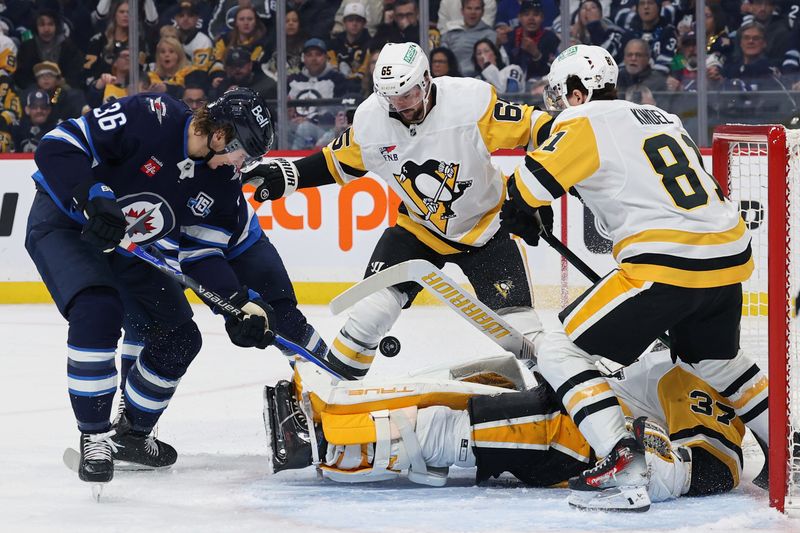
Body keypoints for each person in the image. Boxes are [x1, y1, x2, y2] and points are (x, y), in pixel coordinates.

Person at [501, 44, 768, 512]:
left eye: (562, 94)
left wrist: (522, 210)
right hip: (727, 255)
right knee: (715, 361)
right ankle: (792, 445)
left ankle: (622, 461)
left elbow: (528, 185)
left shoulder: (581, 120)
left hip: (666, 263)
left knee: (559, 346)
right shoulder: (660, 116)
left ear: (578, 92)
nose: (558, 105)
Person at [244, 42, 554, 380]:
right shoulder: (371, 120)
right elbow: (336, 161)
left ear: (425, 81)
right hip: (418, 232)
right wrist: (291, 175)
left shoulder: (471, 102)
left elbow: (540, 130)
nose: (399, 105)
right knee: (370, 313)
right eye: (390, 97)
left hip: (487, 229)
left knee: (521, 332)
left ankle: (564, 392)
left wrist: (535, 193)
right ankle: (337, 400)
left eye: (406, 94)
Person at [25, 88, 279, 486]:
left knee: (180, 337)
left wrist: (236, 305)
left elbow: (200, 253)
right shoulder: (150, 114)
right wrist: (93, 197)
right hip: (67, 225)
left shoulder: (223, 182)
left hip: (127, 247)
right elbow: (57, 145)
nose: (241, 162)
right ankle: (95, 435)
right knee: (98, 309)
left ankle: (132, 436)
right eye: (241, 150)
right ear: (221, 133)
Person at [264, 348, 747, 505]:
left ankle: (327, 445)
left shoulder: (701, 375)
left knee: (445, 424)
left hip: (572, 434)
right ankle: (344, 416)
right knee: (486, 376)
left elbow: (718, 465)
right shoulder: (675, 354)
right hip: (574, 411)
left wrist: (640, 457)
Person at [504, 1, 560, 81]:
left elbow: (552, 72)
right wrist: (498, 44)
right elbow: (505, 67)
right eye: (526, 14)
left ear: (542, 18)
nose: (531, 18)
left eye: (536, 15)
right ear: (519, 17)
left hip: (540, 84)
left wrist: (536, 54)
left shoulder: (551, 39)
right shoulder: (510, 37)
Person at [440, 0, 497, 77]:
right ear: (462, 11)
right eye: (469, 8)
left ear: (483, 12)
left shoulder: (490, 35)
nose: (473, 12)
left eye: (477, 9)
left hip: (480, 80)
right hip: (453, 80)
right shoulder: (449, 35)